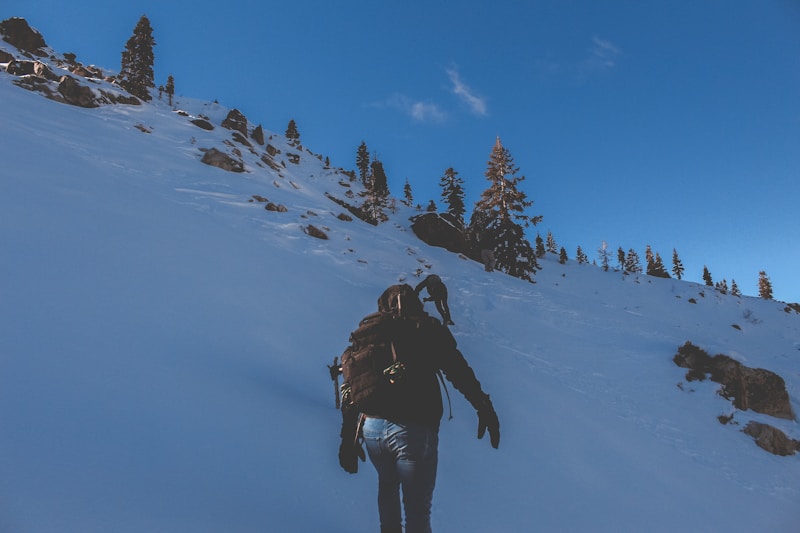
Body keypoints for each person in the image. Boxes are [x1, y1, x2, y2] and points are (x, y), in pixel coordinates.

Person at [337, 284, 500, 533]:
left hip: (372, 430)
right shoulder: (427, 329)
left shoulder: (369, 333)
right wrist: (483, 406)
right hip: (413, 430)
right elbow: (458, 371)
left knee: (387, 489)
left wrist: (348, 438)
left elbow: (352, 386)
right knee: (417, 512)